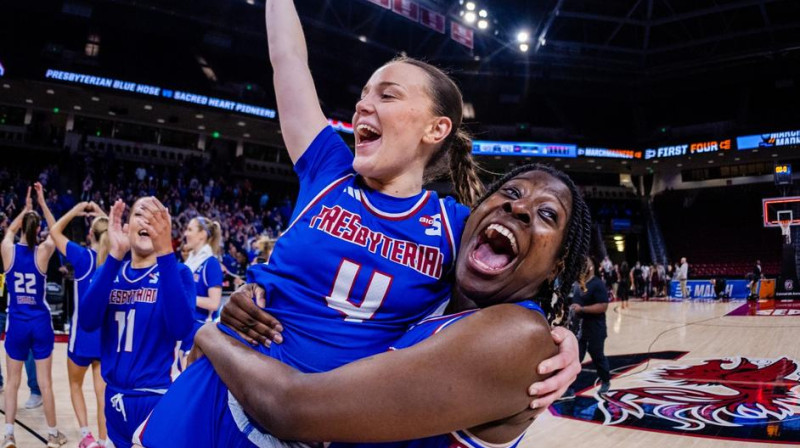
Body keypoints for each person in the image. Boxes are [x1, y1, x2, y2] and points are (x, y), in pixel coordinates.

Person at [142, 163, 590, 447]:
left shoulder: (517, 336)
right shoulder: (435, 300)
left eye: (548, 213)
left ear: (557, 266)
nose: (521, 209)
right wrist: (265, 297)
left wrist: (209, 332)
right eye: (510, 193)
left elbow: (291, 408)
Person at [80, 198, 195, 448]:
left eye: (155, 217)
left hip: (156, 398)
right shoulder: (110, 271)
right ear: (127, 226)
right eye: (139, 215)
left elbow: (182, 329)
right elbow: (87, 322)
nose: (146, 221)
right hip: (114, 398)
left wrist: (165, 253)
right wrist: (114, 255)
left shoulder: (178, 273)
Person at [0, 185, 67, 448]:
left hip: (17, 322)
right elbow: (56, 231)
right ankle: (53, 435)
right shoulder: (43, 253)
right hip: (40, 323)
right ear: (37, 230)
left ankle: (8, 435)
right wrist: (42, 203)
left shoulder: (8, 250)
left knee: (13, 383)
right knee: (45, 383)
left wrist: (26, 209)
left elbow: (9, 231)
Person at [42, 199, 110, 448]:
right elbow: (117, 232)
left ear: (90, 233)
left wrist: (76, 210)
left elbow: (55, 231)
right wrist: (103, 216)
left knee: (74, 384)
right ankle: (103, 441)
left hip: (82, 335)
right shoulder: (116, 262)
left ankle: (86, 437)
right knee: (102, 394)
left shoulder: (83, 258)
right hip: (105, 338)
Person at [179, 216, 223, 367]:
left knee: (190, 384)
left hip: (201, 330)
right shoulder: (190, 262)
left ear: (202, 235)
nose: (186, 234)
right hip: (188, 327)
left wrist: (186, 298)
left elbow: (214, 303)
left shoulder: (211, 264)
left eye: (190, 229)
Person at [566, 256, 611, 397]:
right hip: (579, 330)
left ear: (591, 267)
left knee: (597, 357)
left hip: (595, 329)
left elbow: (603, 306)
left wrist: (582, 309)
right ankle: (569, 388)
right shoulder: (576, 285)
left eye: (585, 264)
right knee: (575, 359)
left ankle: (605, 381)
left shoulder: (597, 284)